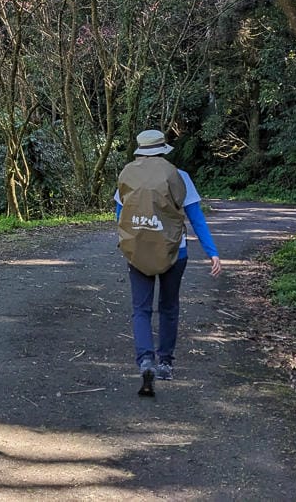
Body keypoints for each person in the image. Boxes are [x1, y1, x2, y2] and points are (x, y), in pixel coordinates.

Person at [115, 128, 221, 396]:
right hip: (176, 252)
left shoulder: (128, 174)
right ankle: (165, 363)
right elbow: (196, 216)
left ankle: (145, 360)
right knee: (169, 307)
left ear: (140, 150)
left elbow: (120, 215)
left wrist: (127, 244)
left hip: (138, 251)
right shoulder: (178, 176)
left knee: (140, 309)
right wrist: (212, 252)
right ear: (163, 149)